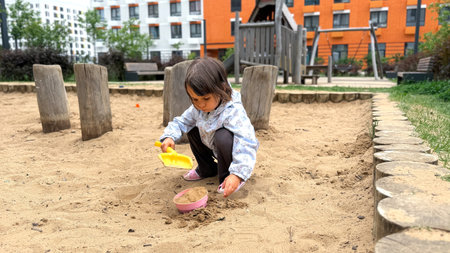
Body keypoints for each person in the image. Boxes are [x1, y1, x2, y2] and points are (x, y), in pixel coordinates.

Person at [159, 57, 258, 198]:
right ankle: (207, 168)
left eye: (206, 99)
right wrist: (169, 136)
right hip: (210, 145)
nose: (200, 104)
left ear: (221, 89)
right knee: (192, 128)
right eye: (194, 99)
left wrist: (238, 174)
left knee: (223, 136)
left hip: (230, 152)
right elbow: (181, 122)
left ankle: (227, 176)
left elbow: (246, 141)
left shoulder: (232, 111)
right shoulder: (198, 109)